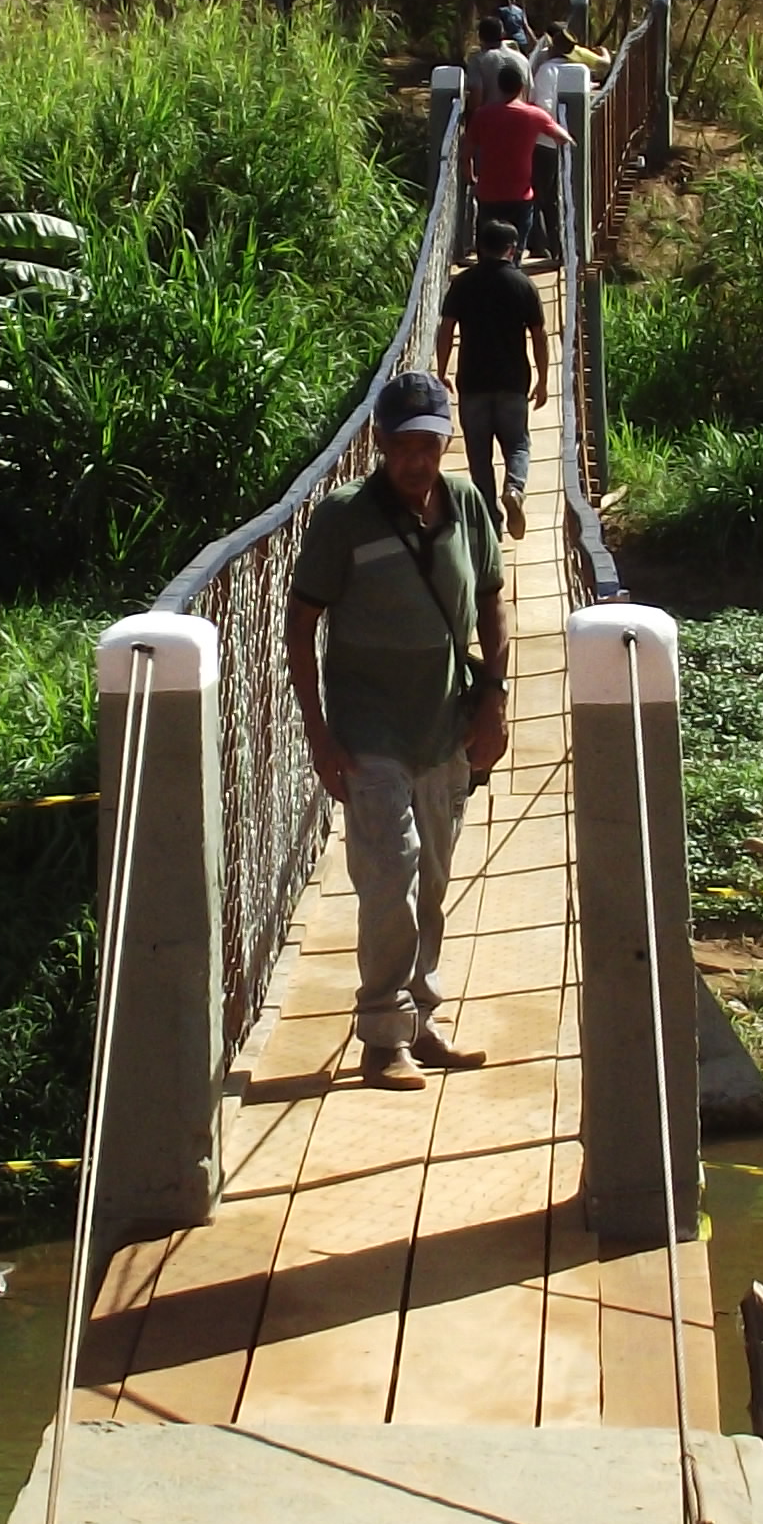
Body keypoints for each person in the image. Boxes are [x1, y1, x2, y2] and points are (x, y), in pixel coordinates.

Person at [287, 371, 512, 1090]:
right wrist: (320, 736)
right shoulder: (344, 518)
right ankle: (383, 1036)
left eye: (429, 444)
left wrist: (496, 698)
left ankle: (421, 1017)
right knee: (390, 878)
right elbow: (299, 626)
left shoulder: (469, 503)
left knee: (434, 880)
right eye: (403, 445)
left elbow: (493, 602)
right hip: (369, 730)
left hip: (443, 723)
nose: (417, 459)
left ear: (445, 444)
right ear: (379, 445)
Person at [437, 216, 548, 533]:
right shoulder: (523, 285)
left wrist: (442, 370)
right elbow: (539, 336)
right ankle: (514, 488)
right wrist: (543, 380)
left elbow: (446, 329)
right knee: (518, 446)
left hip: (472, 383)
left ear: (480, 247)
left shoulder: (463, 283)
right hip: (513, 382)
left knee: (479, 456)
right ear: (512, 250)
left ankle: (490, 521)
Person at [462, 45, 568, 269]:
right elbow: (563, 138)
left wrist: (470, 176)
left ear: (499, 87)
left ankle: (486, 278)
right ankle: (514, 268)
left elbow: (467, 152)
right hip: (520, 195)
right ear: (522, 87)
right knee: (515, 247)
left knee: (487, 247)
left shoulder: (482, 115)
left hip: (488, 193)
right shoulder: (534, 115)